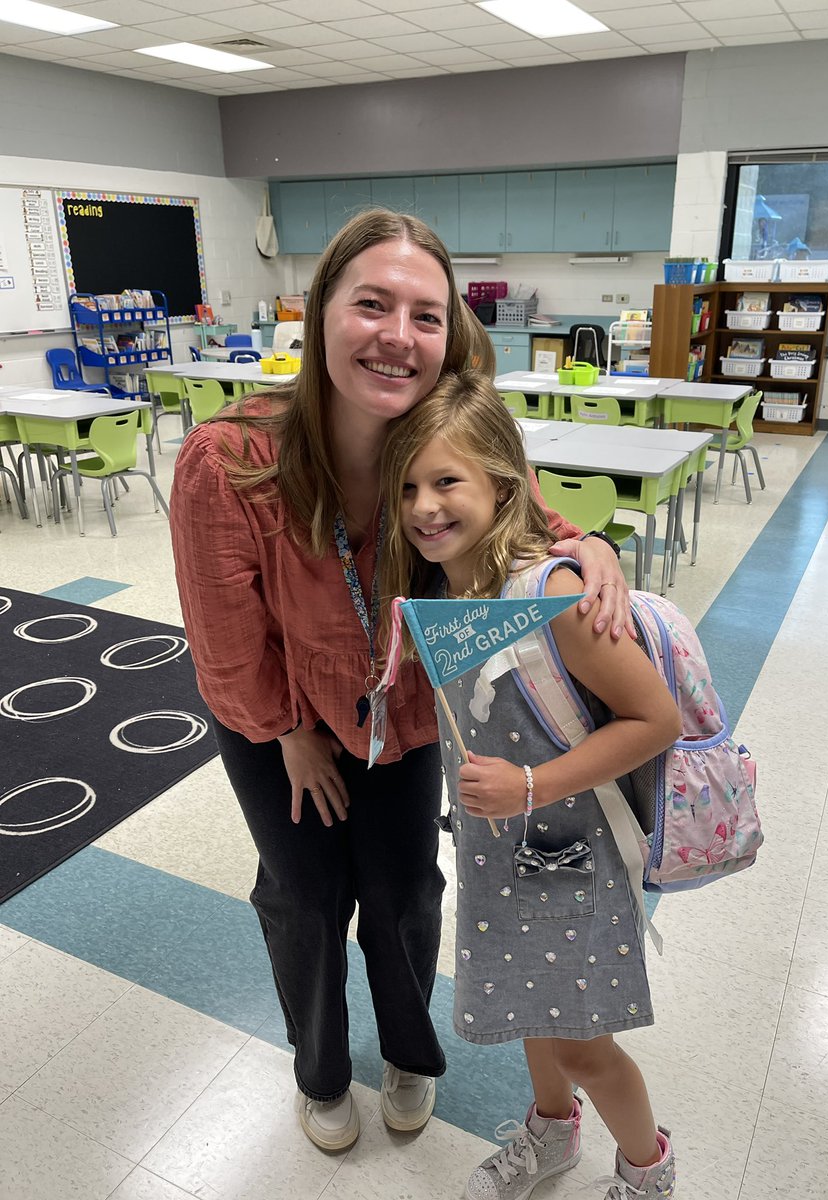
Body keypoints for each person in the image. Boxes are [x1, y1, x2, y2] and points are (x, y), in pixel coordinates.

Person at [169, 209, 630, 1154]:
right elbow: (225, 645)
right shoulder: (231, 460)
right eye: (371, 304)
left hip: (411, 716)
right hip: (282, 722)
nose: (397, 335)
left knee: (407, 894)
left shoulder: (446, 435)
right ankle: (321, 1070)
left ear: (449, 334)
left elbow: (536, 525)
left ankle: (411, 1054)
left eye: (426, 315)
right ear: (321, 314)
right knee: (302, 896)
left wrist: (593, 547)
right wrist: (288, 732)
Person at [380, 370, 681, 1199]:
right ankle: (552, 1131)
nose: (424, 505)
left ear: (505, 484)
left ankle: (649, 1170)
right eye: (408, 486)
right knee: (527, 1005)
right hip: (497, 853)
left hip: (573, 854)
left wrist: (532, 785)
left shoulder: (551, 593)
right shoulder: (450, 588)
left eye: (448, 481)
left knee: (585, 1041)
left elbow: (655, 721)